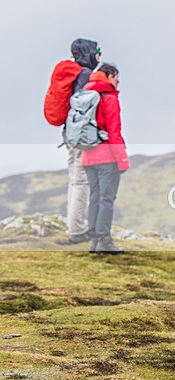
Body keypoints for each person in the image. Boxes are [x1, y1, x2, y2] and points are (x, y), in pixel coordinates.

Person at [81, 63, 130, 254]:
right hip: (106, 157)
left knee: (95, 197)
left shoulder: (86, 95)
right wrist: (122, 159)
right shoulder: (109, 98)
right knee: (107, 199)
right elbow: (114, 132)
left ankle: (94, 240)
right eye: (116, 76)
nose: (119, 81)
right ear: (109, 76)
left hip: (87, 155)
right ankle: (104, 240)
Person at [64, 38, 102, 244]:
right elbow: (86, 107)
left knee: (74, 178)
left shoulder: (71, 72)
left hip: (68, 132)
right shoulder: (85, 75)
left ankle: (74, 224)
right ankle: (77, 230)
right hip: (80, 134)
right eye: (97, 52)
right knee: (82, 181)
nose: (98, 56)